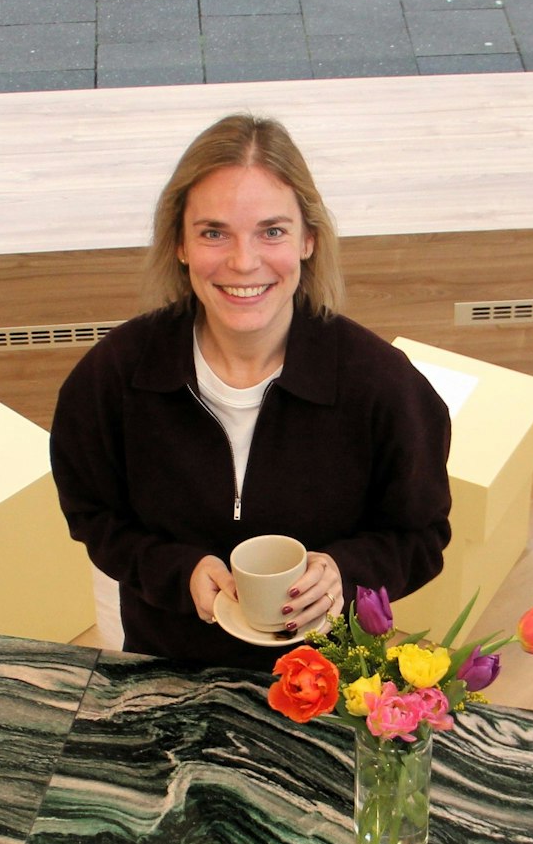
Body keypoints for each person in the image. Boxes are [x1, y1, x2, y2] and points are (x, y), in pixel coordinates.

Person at [50, 113, 453, 669]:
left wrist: (346, 574)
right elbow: (93, 516)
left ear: (309, 239)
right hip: (167, 666)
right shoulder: (111, 378)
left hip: (332, 678)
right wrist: (176, 571)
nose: (244, 261)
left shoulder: (382, 384)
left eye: (272, 231)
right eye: (214, 232)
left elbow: (422, 535)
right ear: (180, 245)